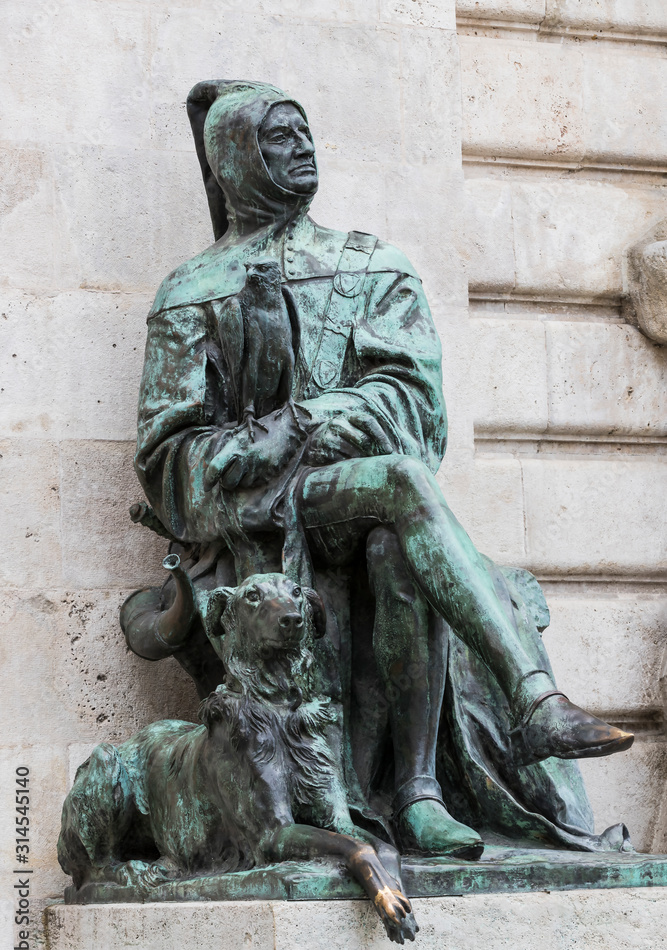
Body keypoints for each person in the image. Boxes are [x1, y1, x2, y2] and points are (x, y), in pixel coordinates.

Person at [132, 80, 633, 858]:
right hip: (260, 515)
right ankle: (533, 703)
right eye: (276, 138)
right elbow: (165, 456)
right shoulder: (190, 290)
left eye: (304, 133)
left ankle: (419, 792)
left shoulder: (372, 264)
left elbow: (413, 405)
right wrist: (246, 454)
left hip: (351, 489)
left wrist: (299, 421)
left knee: (396, 535)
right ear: (233, 160)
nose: (301, 149)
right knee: (399, 484)